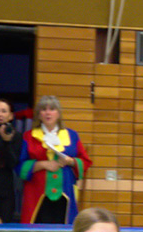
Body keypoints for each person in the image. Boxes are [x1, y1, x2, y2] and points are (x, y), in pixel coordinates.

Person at [19, 95, 91, 225]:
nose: (48, 113)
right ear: (39, 114)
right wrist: (43, 164)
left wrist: (70, 161)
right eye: (44, 109)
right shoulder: (29, 137)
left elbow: (85, 162)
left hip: (65, 193)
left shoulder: (72, 136)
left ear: (58, 114)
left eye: (52, 109)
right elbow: (20, 167)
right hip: (37, 194)